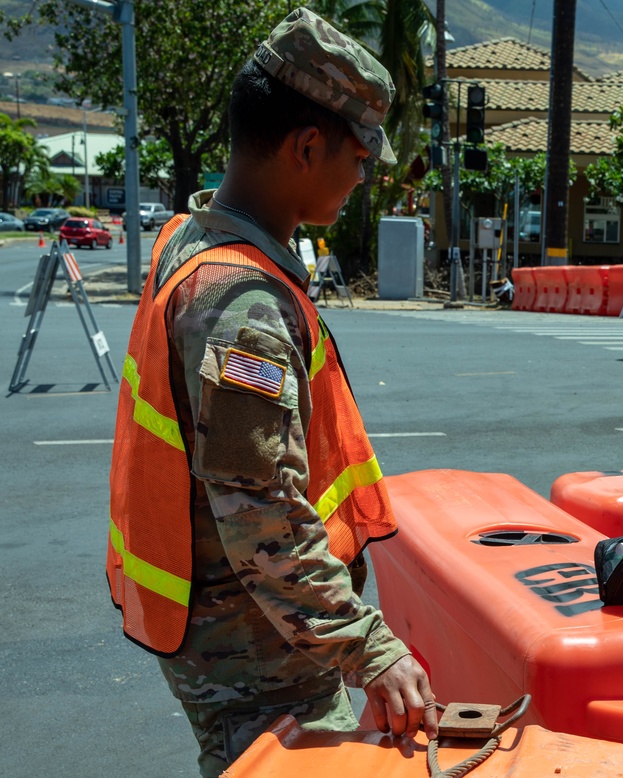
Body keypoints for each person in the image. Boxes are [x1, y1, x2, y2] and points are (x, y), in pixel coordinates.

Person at [105, 9, 437, 776]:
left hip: (240, 631)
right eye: (359, 157)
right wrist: (368, 646)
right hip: (257, 653)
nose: (364, 178)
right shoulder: (242, 305)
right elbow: (261, 518)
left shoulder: (196, 236)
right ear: (307, 145)